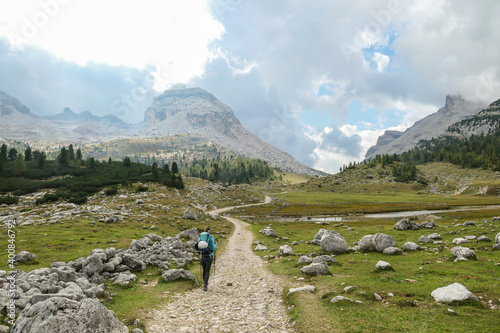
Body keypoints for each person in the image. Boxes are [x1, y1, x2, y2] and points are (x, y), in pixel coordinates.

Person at [198, 226, 218, 291]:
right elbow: (214, 248)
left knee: (204, 270)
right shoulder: (211, 237)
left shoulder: (200, 237)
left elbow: (198, 245)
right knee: (207, 271)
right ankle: (205, 285)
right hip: (209, 256)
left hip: (202, 256)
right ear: (209, 231)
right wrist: (216, 243)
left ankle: (204, 284)